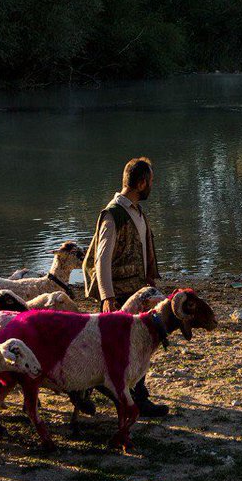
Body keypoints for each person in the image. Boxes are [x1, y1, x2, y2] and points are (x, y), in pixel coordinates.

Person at [82, 156, 167, 417]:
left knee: (136, 345)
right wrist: (107, 297)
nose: (152, 185)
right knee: (118, 348)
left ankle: (134, 396)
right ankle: (122, 396)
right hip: (119, 294)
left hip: (136, 289)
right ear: (141, 183)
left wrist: (148, 280)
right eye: (151, 181)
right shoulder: (113, 214)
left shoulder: (136, 211)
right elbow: (101, 260)